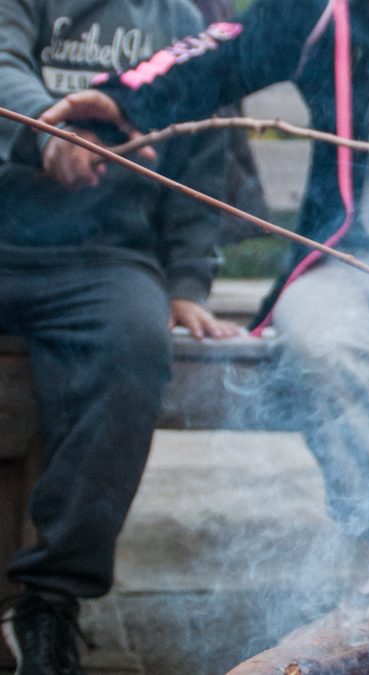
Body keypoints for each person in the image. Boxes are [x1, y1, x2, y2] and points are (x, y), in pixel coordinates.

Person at [43, 0, 369, 577]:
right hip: (344, 253)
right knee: (322, 343)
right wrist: (121, 101)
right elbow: (228, 51)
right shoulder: (325, 8)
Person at [0, 0, 240, 671]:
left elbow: (201, 153)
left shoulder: (186, 22)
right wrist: (49, 134)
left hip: (103, 257)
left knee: (136, 343)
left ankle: (49, 599)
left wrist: (188, 283)